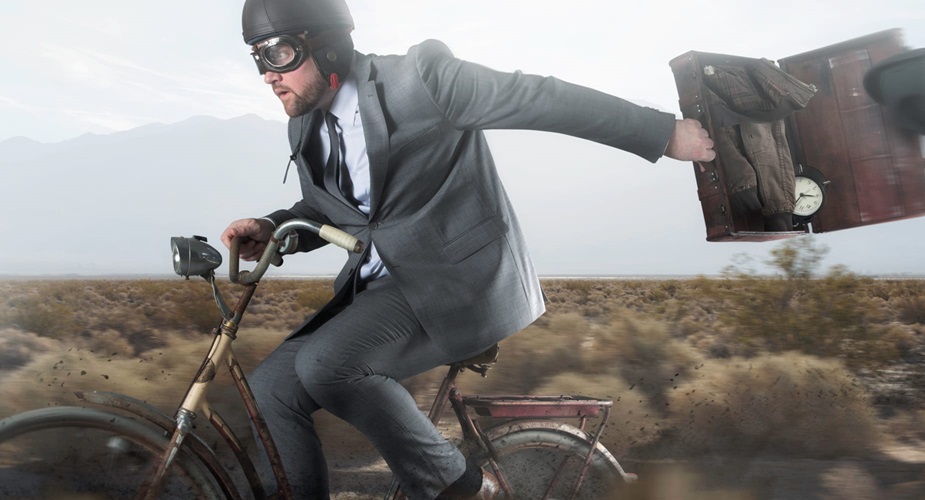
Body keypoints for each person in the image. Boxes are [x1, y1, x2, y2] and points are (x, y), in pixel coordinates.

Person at [218, 0, 714, 499]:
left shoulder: (421, 80)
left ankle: (465, 491)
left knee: (327, 365)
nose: (267, 75)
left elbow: (539, 97)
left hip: (457, 281)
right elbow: (333, 209)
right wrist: (274, 226)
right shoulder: (304, 123)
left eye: (279, 53)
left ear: (326, 45)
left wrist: (662, 132)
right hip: (381, 289)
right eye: (257, 58)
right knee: (271, 390)